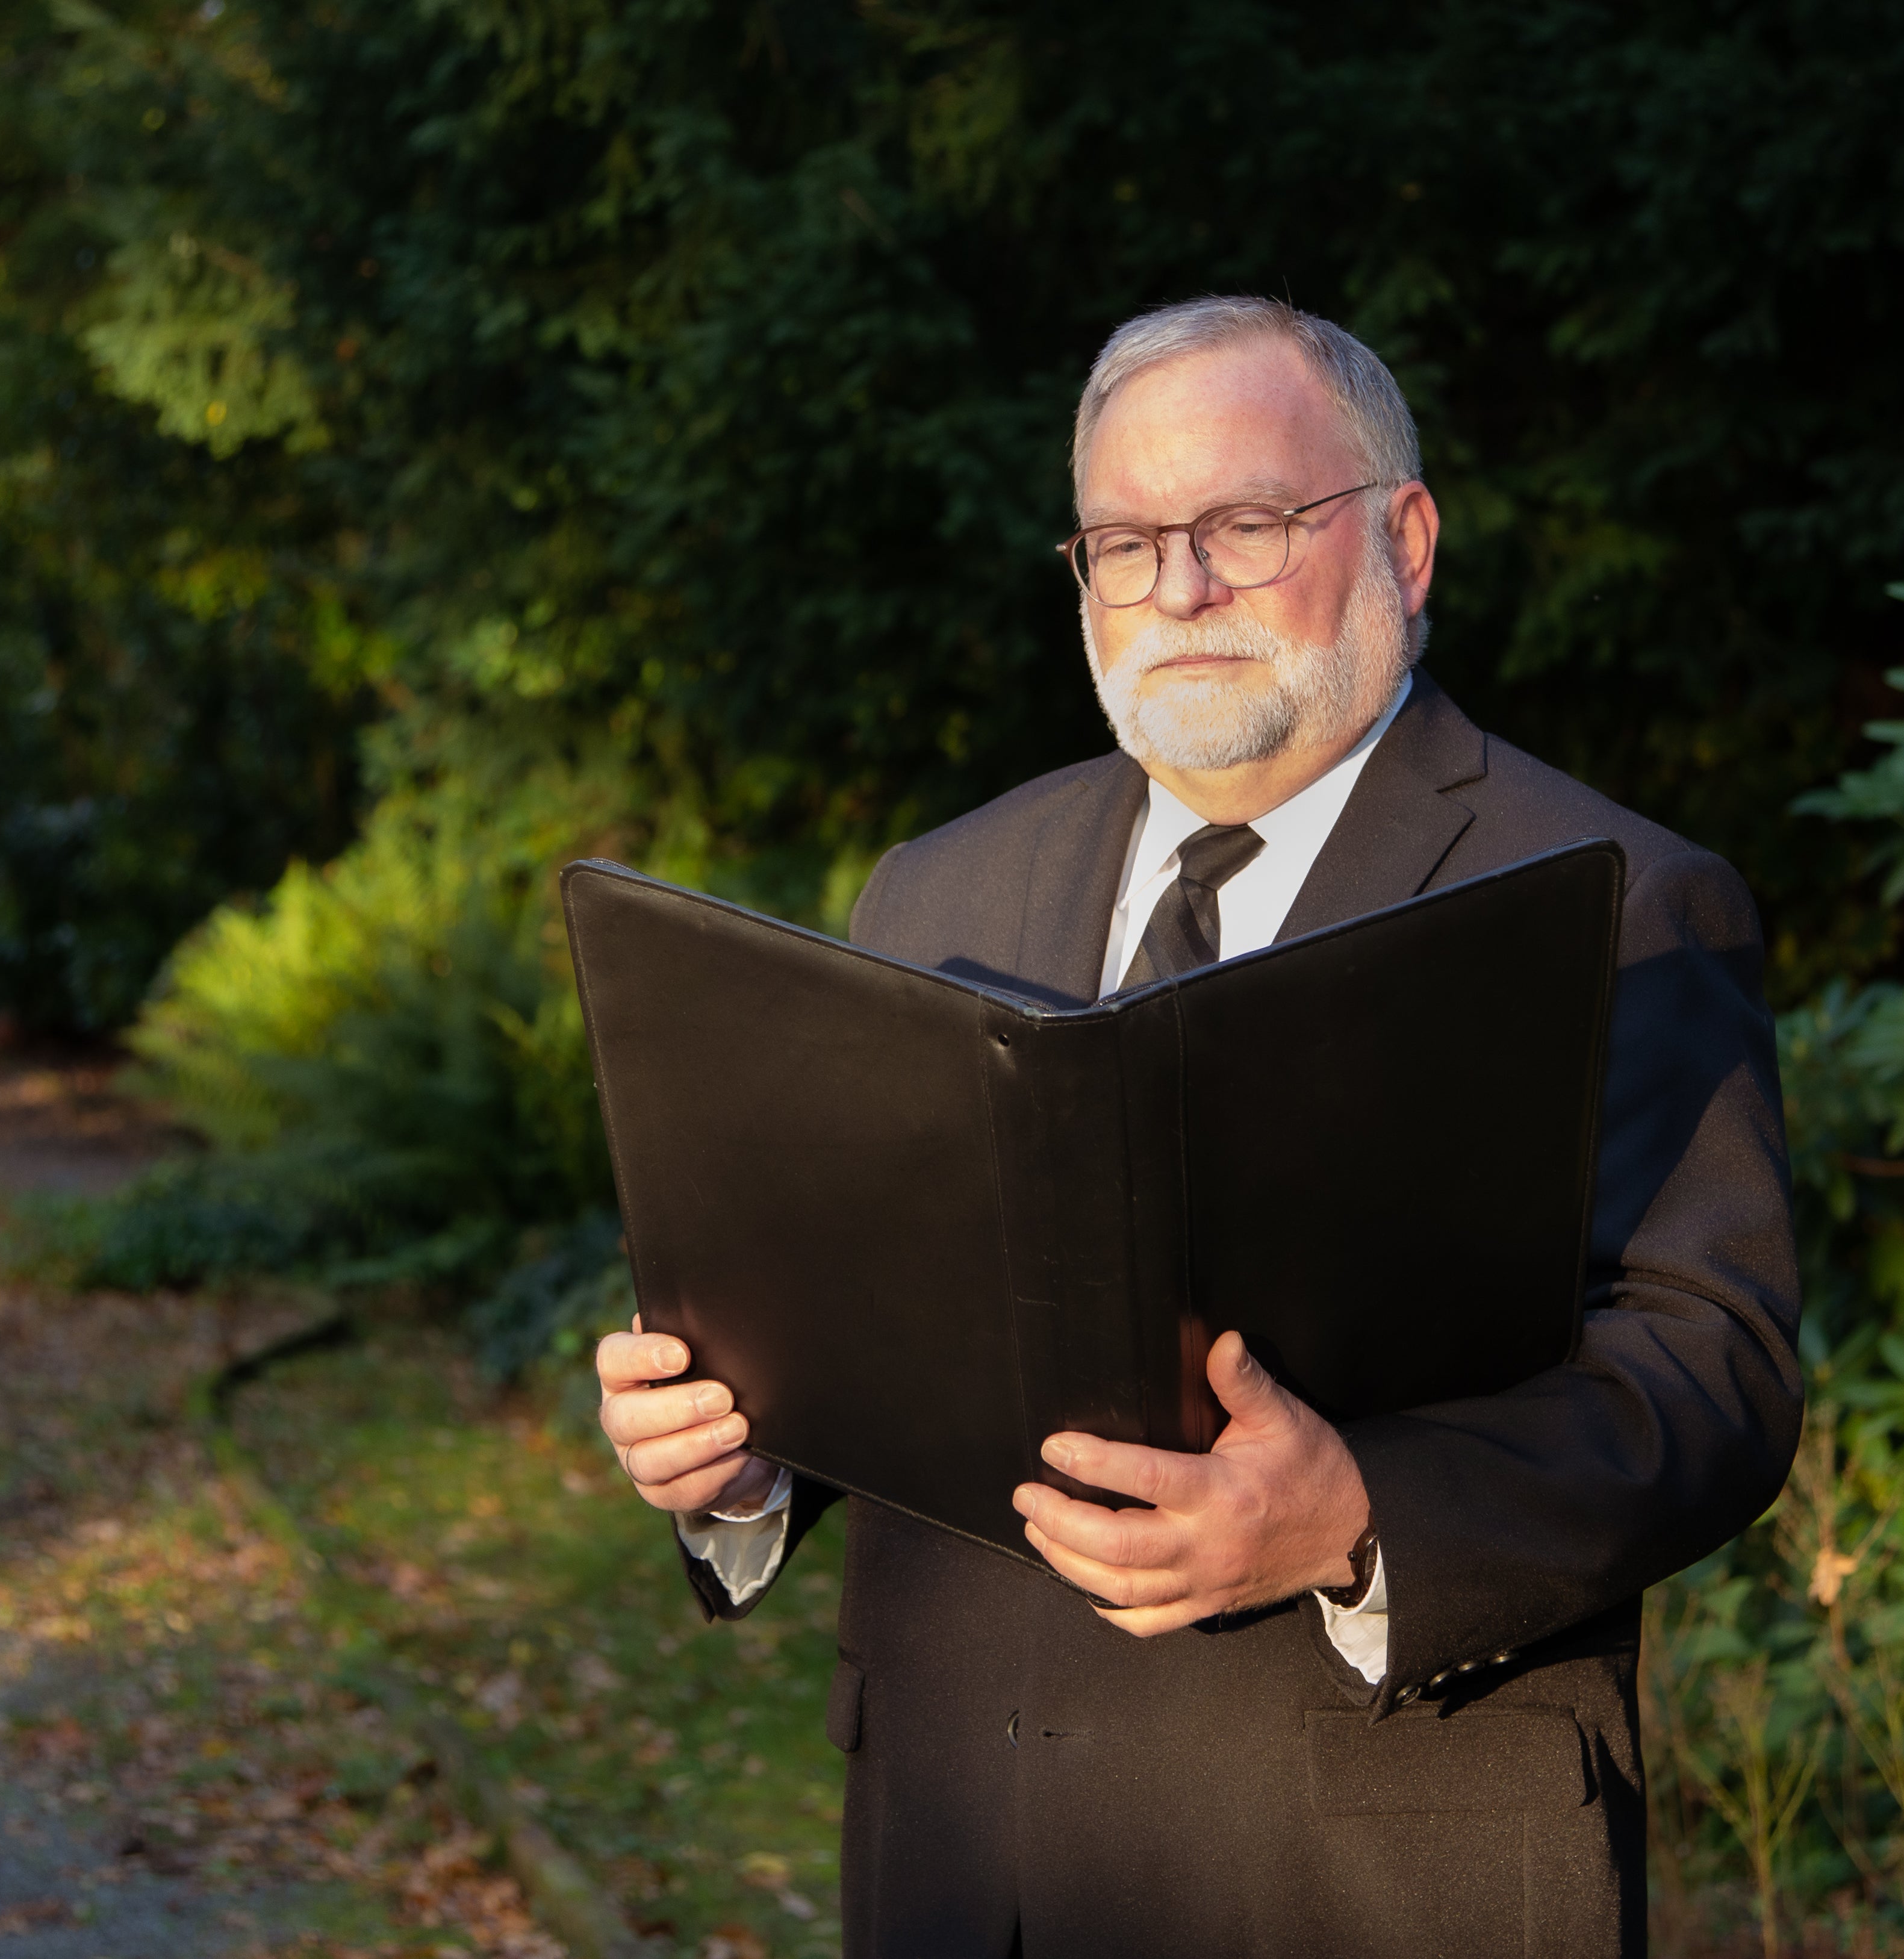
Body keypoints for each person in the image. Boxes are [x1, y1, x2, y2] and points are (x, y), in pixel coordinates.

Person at [594, 296, 1800, 1958]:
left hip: (1386, 1883)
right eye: (1124, 542)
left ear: (1407, 536)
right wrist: (738, 1452)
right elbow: (866, 1314)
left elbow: (1715, 1375)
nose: (1182, 590)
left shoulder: (1622, 902)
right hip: (969, 1870)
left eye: (1244, 522)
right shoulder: (938, 892)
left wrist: (1361, 1513)